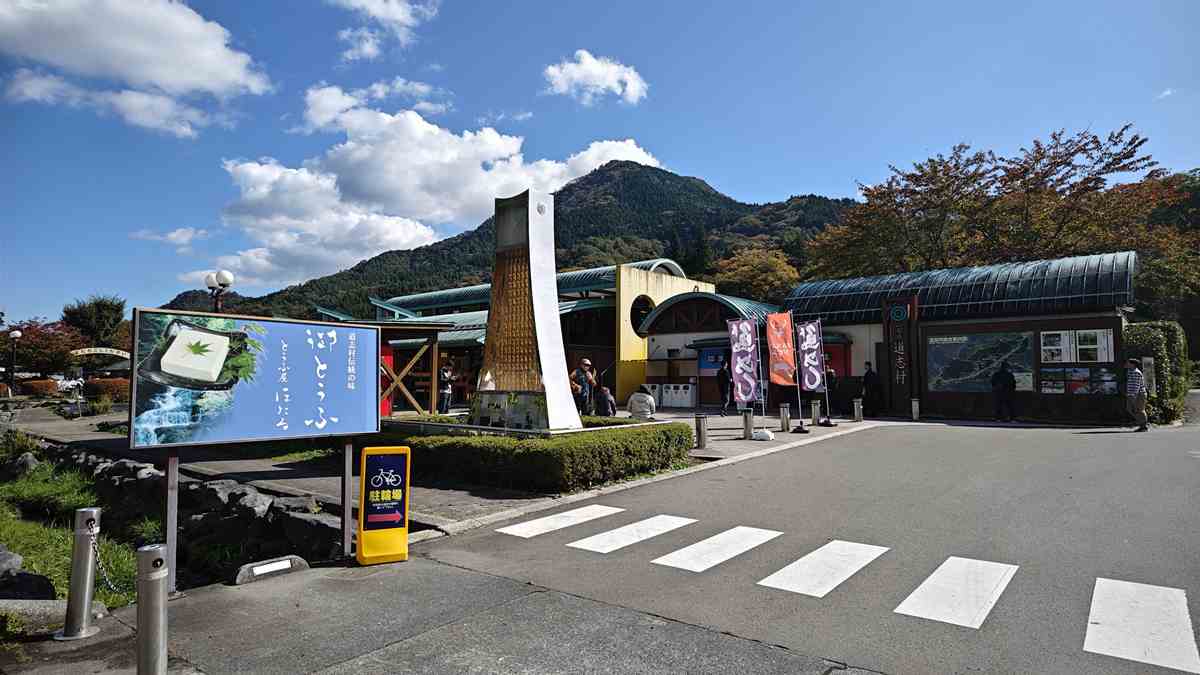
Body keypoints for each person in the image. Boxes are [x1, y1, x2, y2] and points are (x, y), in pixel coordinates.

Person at [1125, 358, 1149, 432]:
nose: (1126, 364)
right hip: (1131, 394)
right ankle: (1141, 423)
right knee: (1129, 409)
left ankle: (1144, 425)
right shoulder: (1130, 371)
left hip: (1139, 394)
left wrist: (1133, 395)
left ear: (1132, 364)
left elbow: (1136, 385)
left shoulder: (1136, 372)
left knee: (1140, 410)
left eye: (1128, 363)